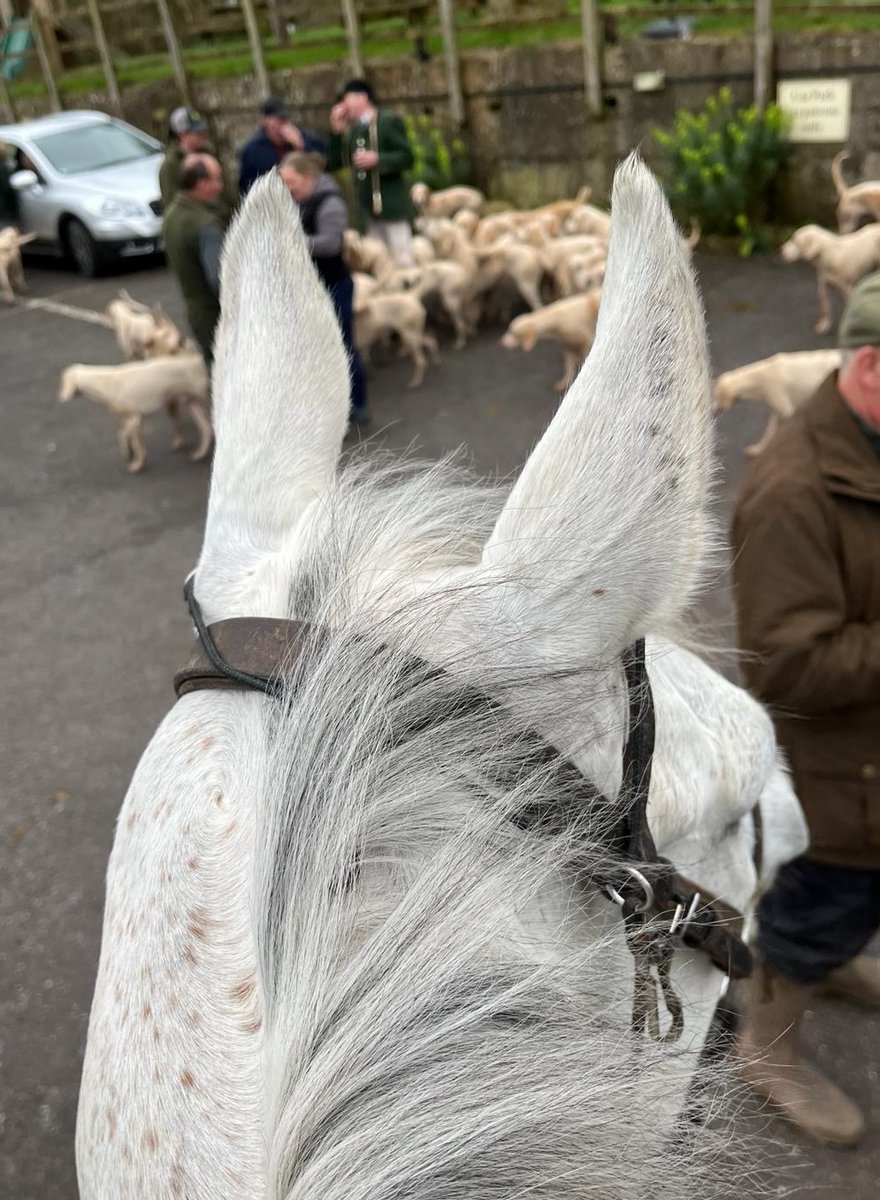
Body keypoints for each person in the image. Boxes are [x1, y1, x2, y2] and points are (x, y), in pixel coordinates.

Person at [731, 272, 880, 1147]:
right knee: (816, 904)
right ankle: (768, 1042)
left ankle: (834, 962)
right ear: (870, 365)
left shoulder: (869, 441)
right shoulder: (793, 492)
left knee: (853, 902)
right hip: (840, 784)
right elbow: (783, 664)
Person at [279, 151, 369, 426]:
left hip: (334, 285)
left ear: (308, 178)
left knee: (343, 346)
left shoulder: (330, 203)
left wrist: (292, 242)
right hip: (313, 286)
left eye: (290, 181)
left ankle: (358, 405)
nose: (286, 187)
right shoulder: (300, 200)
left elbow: (331, 243)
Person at [327, 78, 414, 266]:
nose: (343, 106)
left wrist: (378, 159)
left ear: (362, 98)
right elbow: (335, 163)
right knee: (377, 263)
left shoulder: (387, 121)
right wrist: (336, 131)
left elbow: (407, 157)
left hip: (391, 207)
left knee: (402, 261)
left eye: (346, 99)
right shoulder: (354, 130)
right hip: (368, 209)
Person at [162, 154, 226, 367]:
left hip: (195, 313)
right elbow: (219, 280)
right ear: (202, 183)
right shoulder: (206, 224)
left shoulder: (172, 215)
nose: (220, 186)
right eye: (216, 179)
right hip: (217, 316)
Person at [238, 96, 325, 196]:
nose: (282, 124)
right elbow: (246, 185)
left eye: (285, 119)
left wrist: (300, 146)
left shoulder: (304, 138)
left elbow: (321, 164)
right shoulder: (252, 150)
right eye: (278, 120)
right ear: (265, 121)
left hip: (304, 198)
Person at [159, 107, 209, 210]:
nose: (202, 136)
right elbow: (172, 206)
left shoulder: (207, 153)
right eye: (196, 133)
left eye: (202, 132)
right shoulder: (171, 165)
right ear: (182, 134)